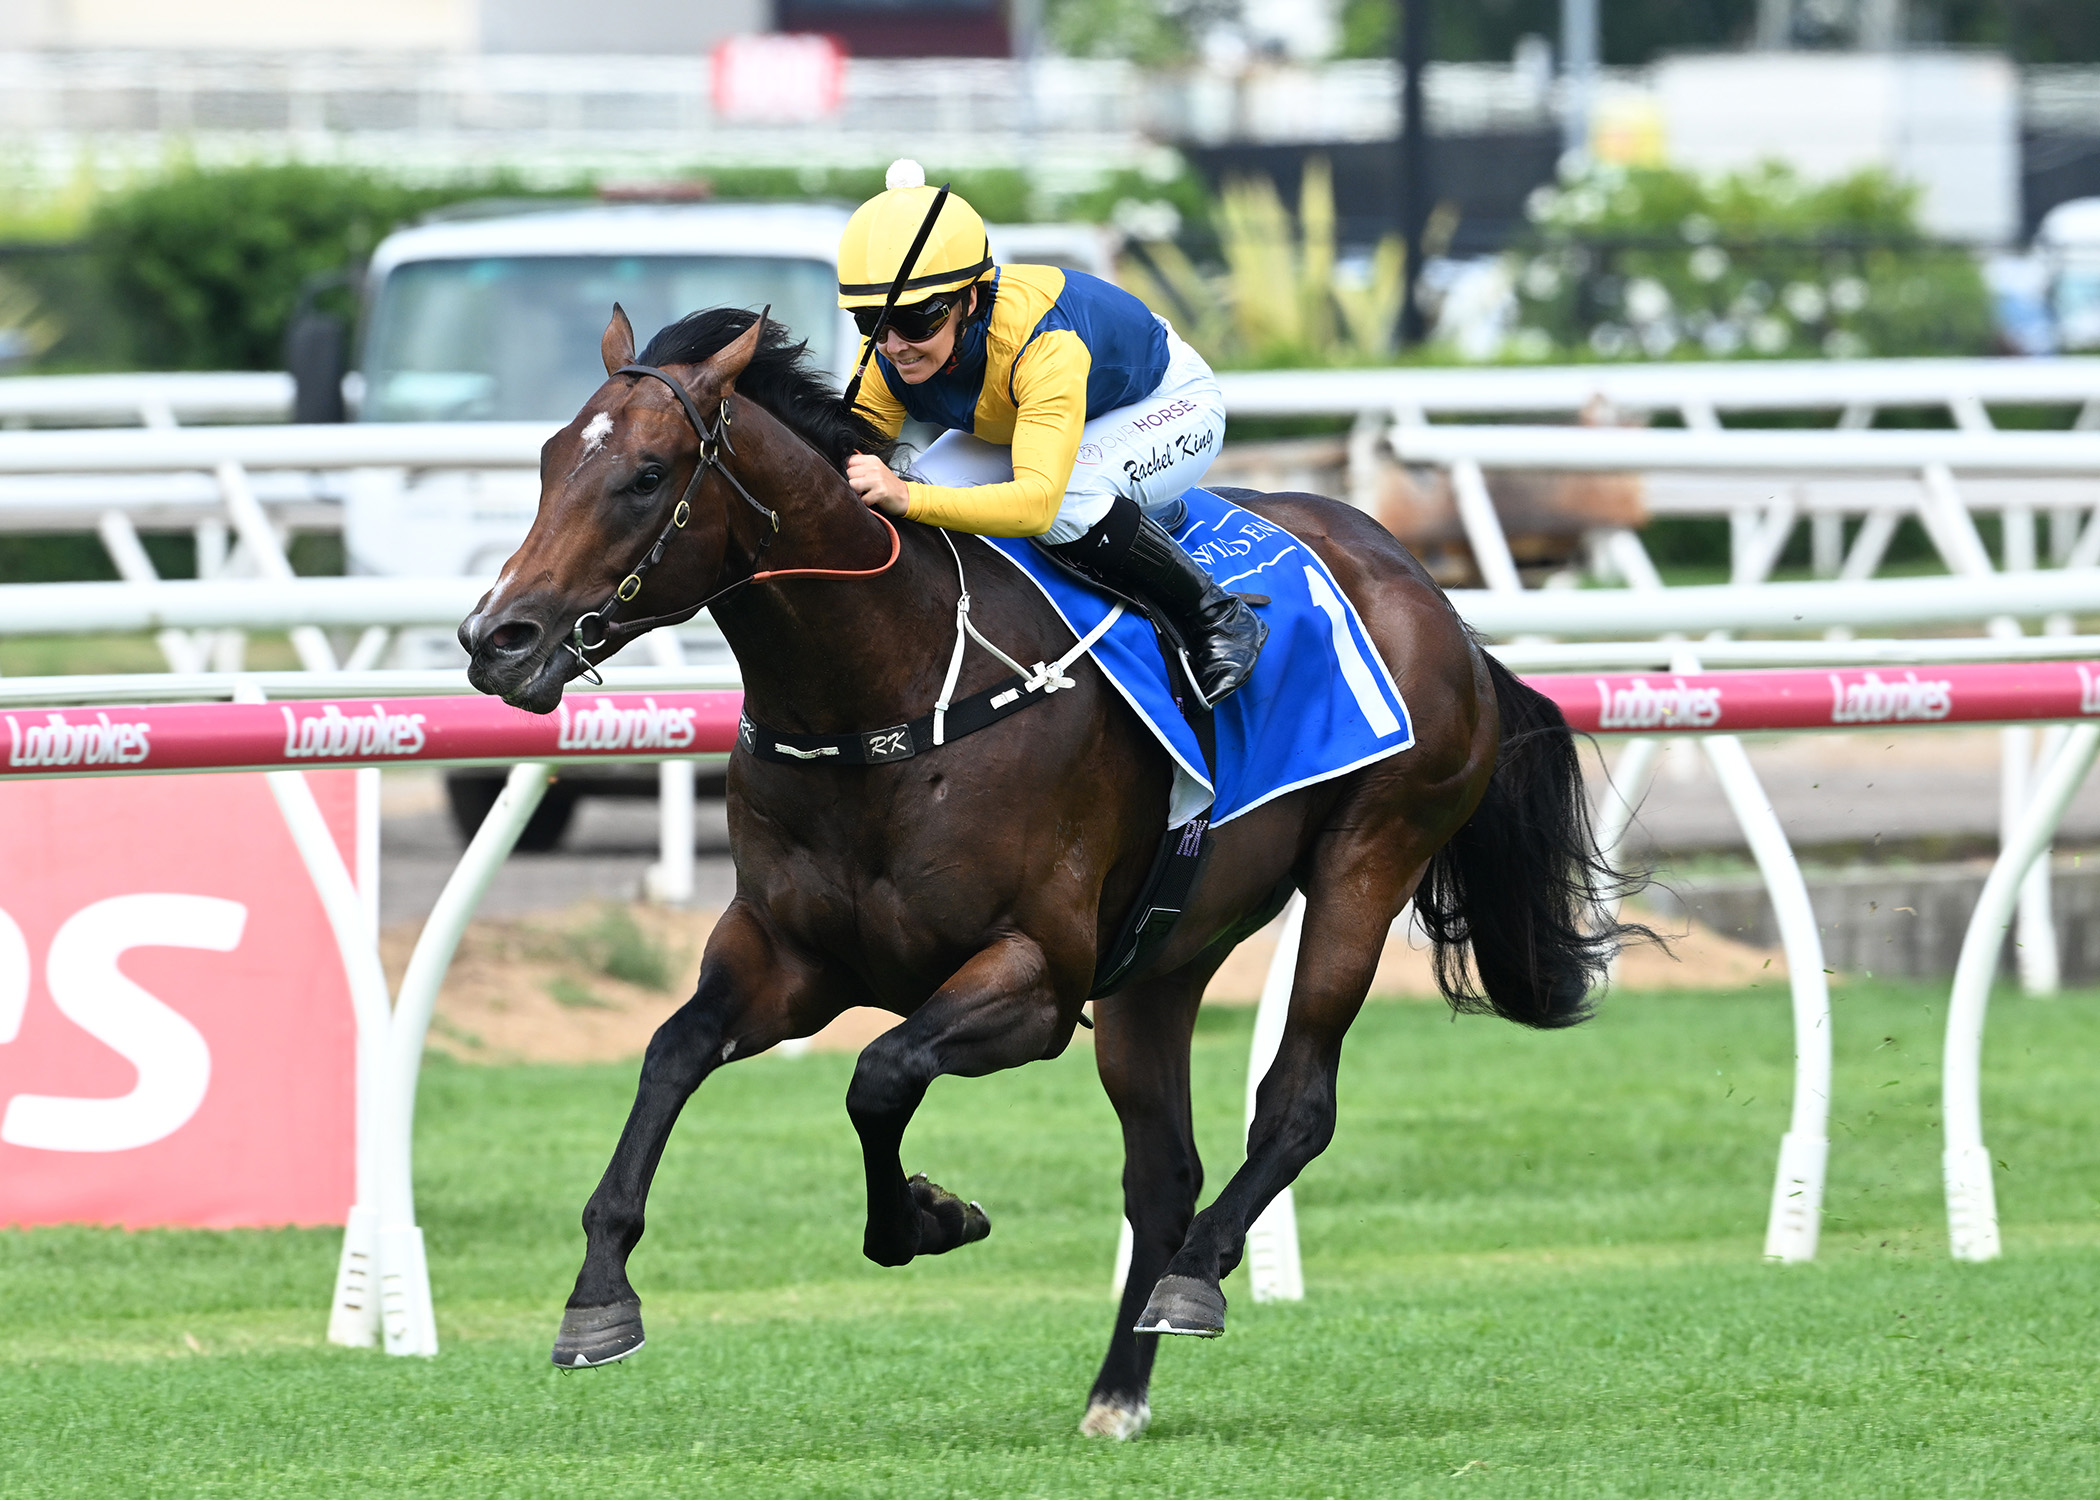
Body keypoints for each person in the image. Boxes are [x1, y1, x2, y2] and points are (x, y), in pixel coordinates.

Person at [839, 160, 1266, 707]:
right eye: (871, 320)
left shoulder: (1045, 342)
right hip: (1025, 415)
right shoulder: (887, 347)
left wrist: (907, 495)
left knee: (1066, 500)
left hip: (1167, 401)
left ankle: (1218, 616)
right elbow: (854, 466)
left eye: (919, 319)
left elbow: (1036, 505)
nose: (895, 344)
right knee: (918, 492)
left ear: (969, 300)